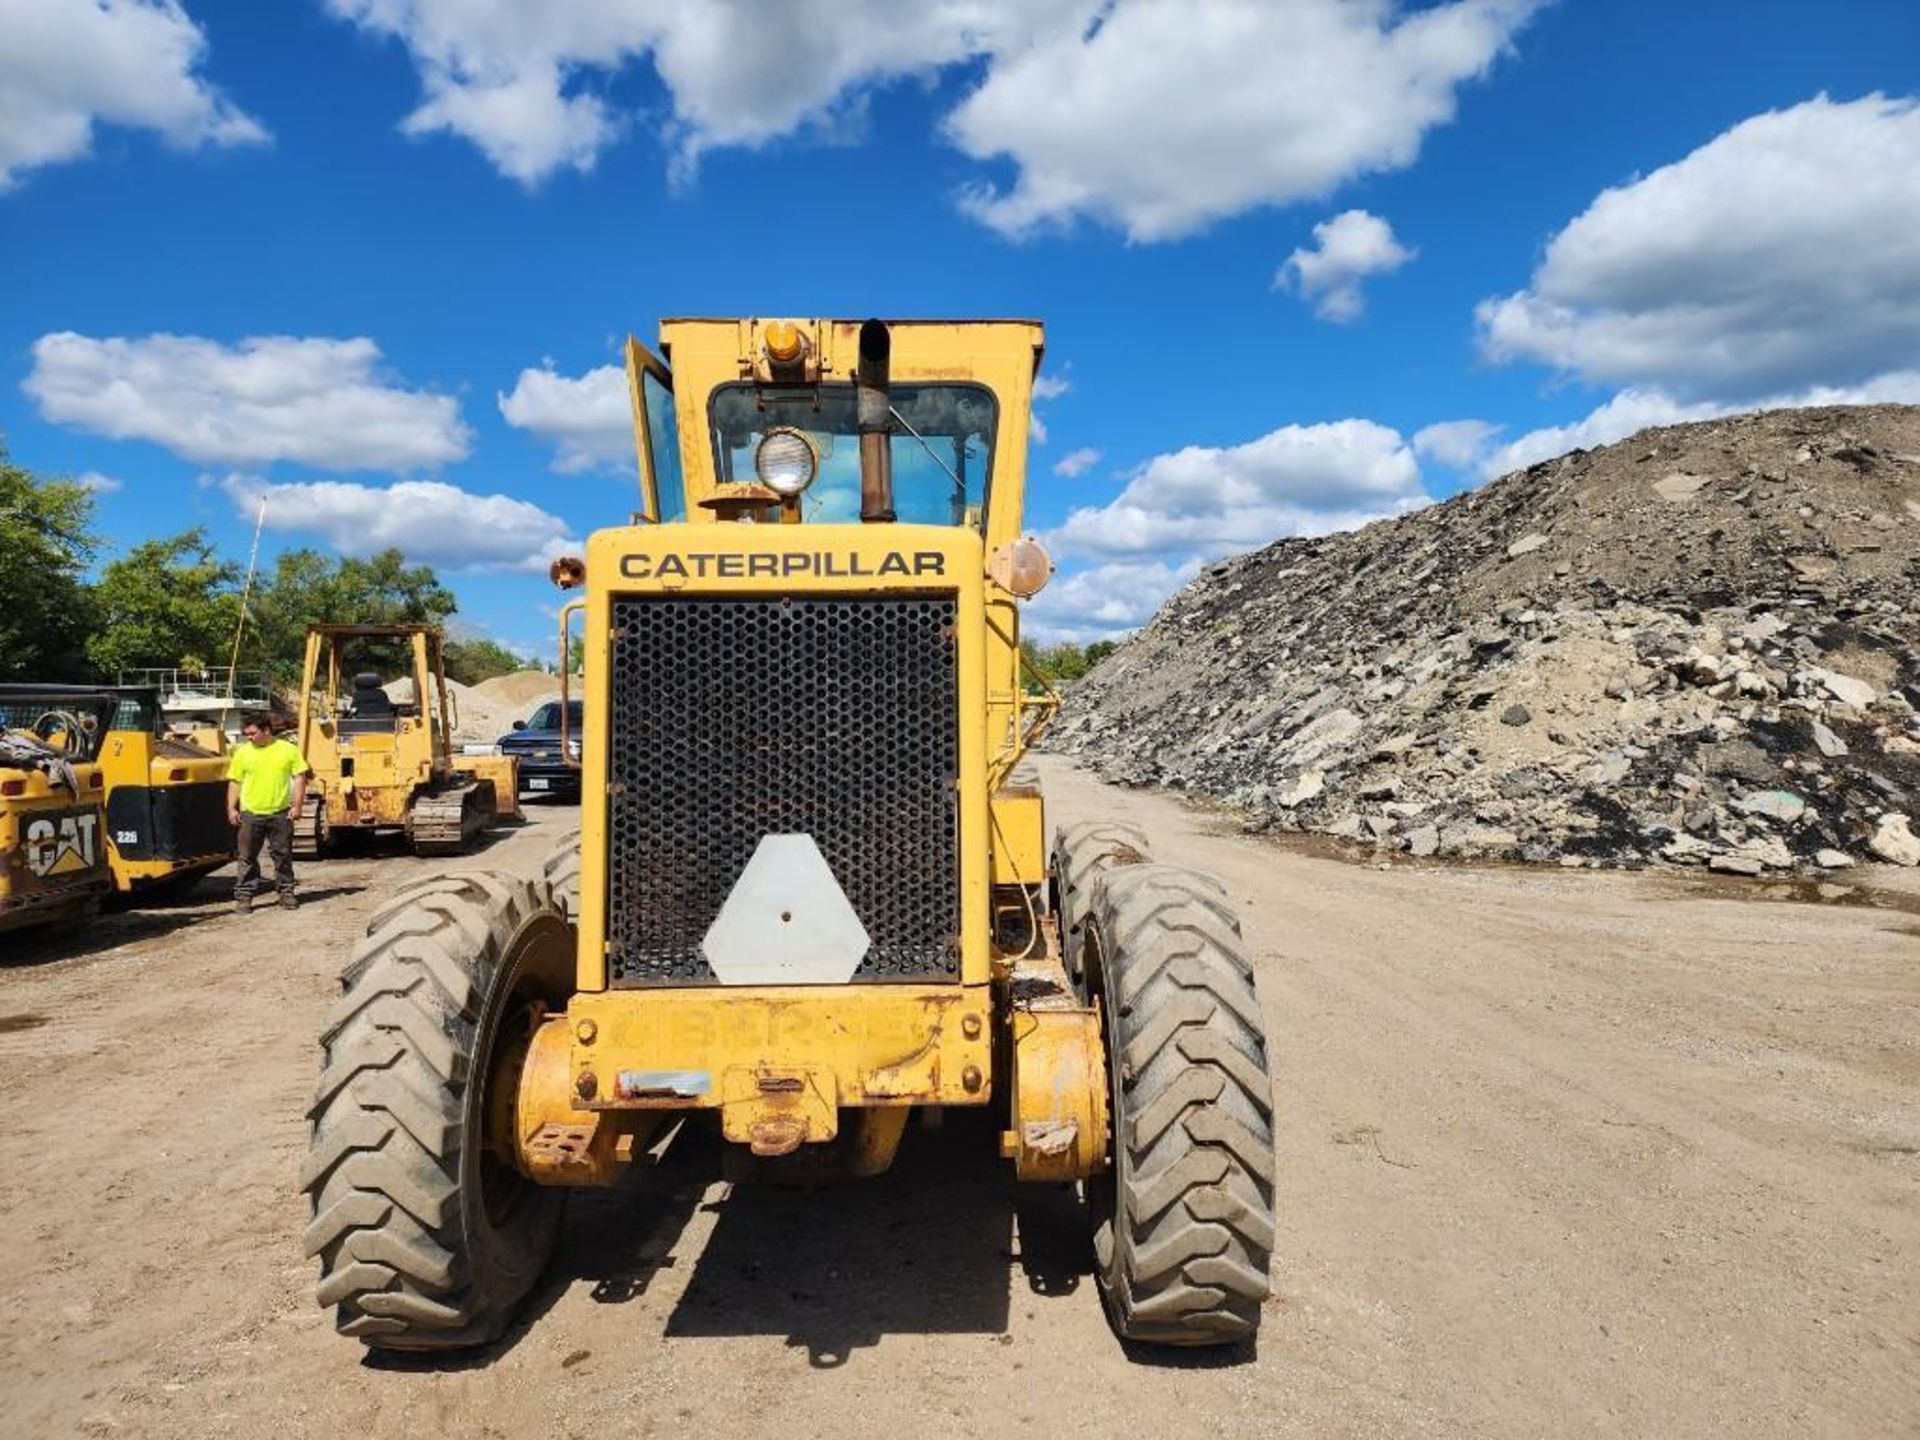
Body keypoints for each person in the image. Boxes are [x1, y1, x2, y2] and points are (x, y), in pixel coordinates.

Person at [227, 714, 311, 914]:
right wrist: (231, 808)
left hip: (280, 813)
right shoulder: (242, 753)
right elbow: (234, 782)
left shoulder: (288, 750)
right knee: (246, 857)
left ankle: (286, 893)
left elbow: (299, 778)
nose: (249, 738)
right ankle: (244, 897)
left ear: (266, 730)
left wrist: (297, 806)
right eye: (246, 734)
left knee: (282, 855)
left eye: (252, 733)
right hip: (250, 814)